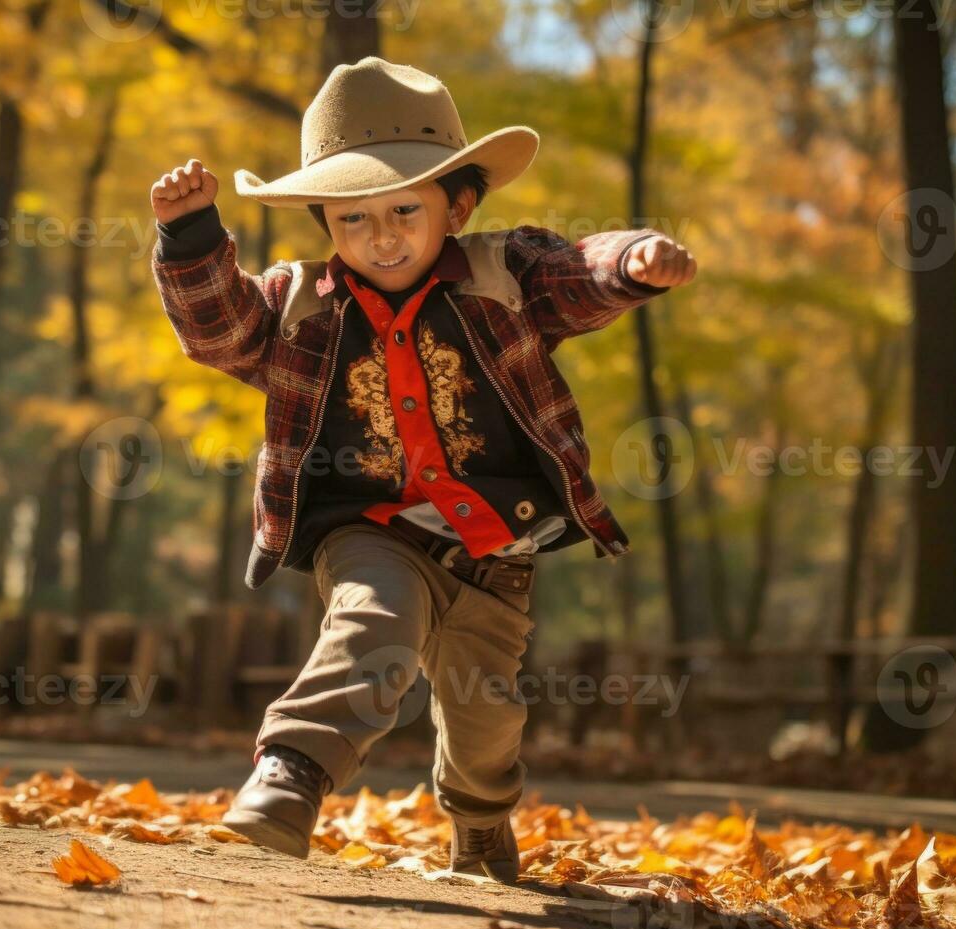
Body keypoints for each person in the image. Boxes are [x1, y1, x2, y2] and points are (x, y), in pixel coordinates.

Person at [149, 57, 697, 882]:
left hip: (493, 548)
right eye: (352, 219)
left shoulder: (498, 276)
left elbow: (572, 275)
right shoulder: (299, 307)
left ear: (458, 204)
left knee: (485, 717)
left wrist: (630, 264)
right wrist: (191, 238)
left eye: (405, 210)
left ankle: (479, 822)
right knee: (374, 622)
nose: (382, 235)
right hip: (364, 527)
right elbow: (218, 332)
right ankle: (290, 774)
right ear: (323, 221)